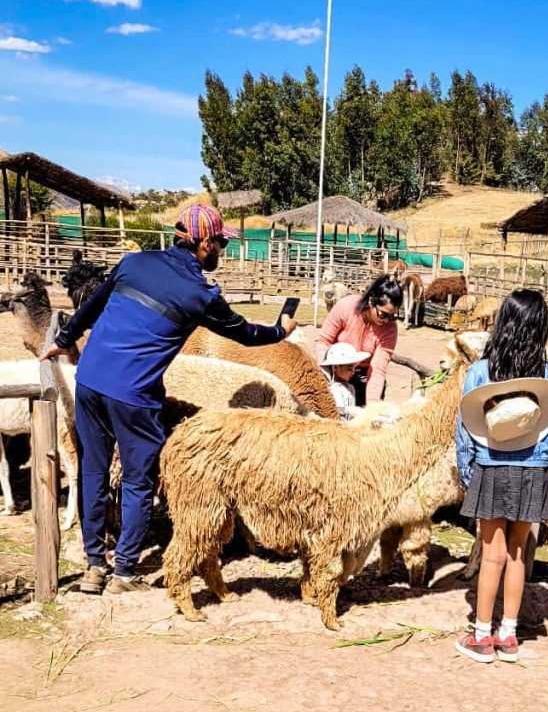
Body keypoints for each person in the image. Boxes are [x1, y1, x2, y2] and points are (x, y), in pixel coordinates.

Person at [40, 204, 297, 596]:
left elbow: (92, 307)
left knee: (92, 471)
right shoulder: (201, 293)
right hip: (134, 396)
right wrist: (281, 330)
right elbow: (244, 334)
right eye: (221, 244)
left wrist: (62, 341)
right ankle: (124, 572)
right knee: (138, 480)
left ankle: (94, 566)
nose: (222, 251)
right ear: (204, 243)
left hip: (89, 381)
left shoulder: (134, 262)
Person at [455, 289, 548, 664]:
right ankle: (508, 636)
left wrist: (467, 471)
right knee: (520, 554)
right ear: (541, 329)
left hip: (492, 467)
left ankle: (481, 636)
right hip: (533, 471)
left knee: (492, 555)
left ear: (502, 323)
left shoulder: (480, 372)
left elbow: (466, 431)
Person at [314, 275, 402, 406]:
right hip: (336, 371)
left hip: (365, 376)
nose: (386, 320)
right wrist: (330, 374)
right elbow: (322, 341)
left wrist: (371, 408)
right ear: (372, 301)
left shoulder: (390, 329)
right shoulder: (346, 307)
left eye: (391, 316)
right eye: (383, 314)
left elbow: (378, 370)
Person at [320, 342, 371, 420]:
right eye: (349, 369)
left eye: (354, 369)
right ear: (335, 368)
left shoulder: (351, 388)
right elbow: (336, 410)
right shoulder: (334, 389)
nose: (353, 372)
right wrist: (349, 410)